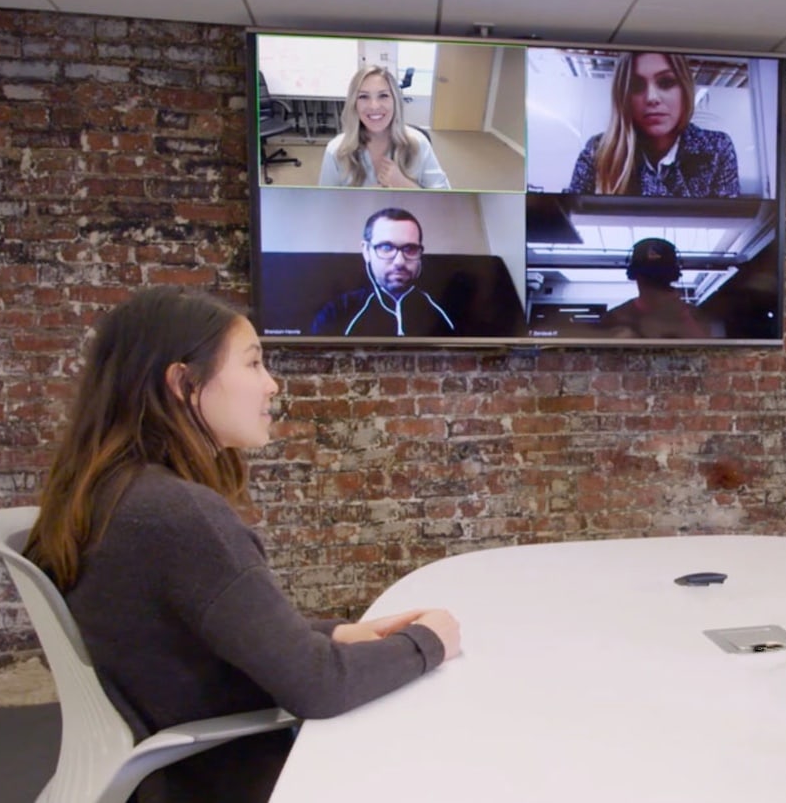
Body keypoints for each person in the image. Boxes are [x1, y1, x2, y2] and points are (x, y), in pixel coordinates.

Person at [24, 287, 462, 802]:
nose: (272, 384)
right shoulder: (179, 516)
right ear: (184, 383)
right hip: (228, 779)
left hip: (168, 775)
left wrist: (337, 632)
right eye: (253, 364)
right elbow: (318, 686)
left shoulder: (106, 493)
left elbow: (203, 633)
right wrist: (428, 642)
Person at [565, 52, 740, 197]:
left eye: (666, 83)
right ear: (623, 97)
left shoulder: (717, 148)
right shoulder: (598, 151)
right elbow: (569, 218)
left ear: (684, 89)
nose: (652, 98)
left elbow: (729, 221)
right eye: (636, 85)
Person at [311, 207, 458, 337]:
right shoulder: (337, 312)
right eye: (386, 248)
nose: (399, 262)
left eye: (410, 249)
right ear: (366, 251)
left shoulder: (447, 313)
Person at [319, 65, 450, 189]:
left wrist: (403, 184)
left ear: (395, 101)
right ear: (354, 104)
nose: (374, 106)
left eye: (383, 96)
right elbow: (324, 202)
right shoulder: (336, 150)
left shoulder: (419, 143)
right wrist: (365, 198)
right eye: (363, 96)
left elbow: (445, 200)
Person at [599, 237, 715, 339]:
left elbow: (707, 351)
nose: (654, 288)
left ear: (634, 276)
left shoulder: (693, 315)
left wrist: (684, 317)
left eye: (660, 281)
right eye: (648, 279)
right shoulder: (614, 319)